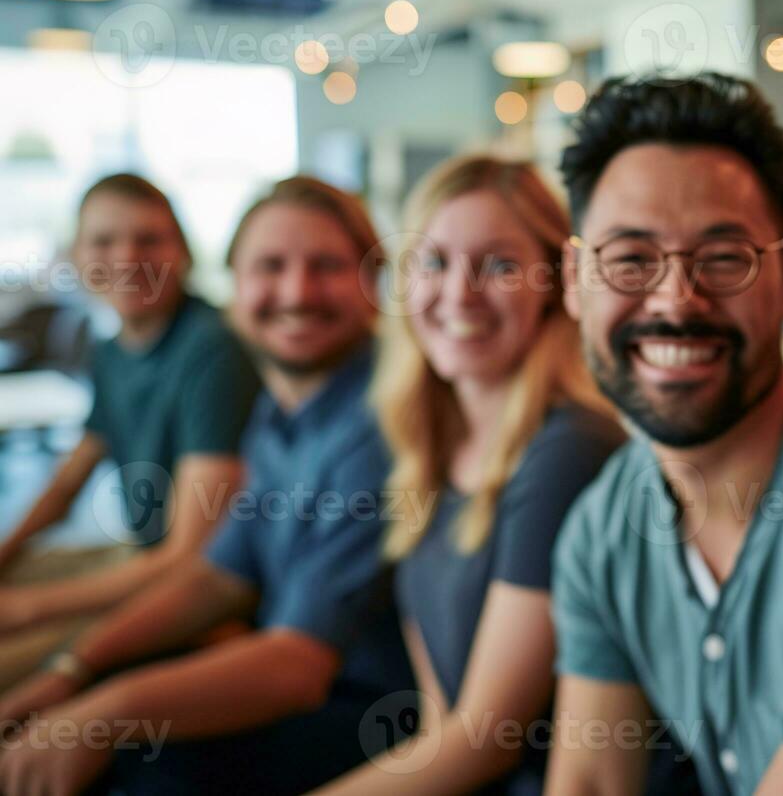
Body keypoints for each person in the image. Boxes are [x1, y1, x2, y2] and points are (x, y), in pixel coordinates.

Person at [0, 176, 415, 795]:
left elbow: (297, 664)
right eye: (271, 266)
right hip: (292, 663)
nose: (297, 293)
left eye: (327, 266)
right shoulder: (283, 410)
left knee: (134, 767)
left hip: (373, 710)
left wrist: (100, 713)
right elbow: (217, 575)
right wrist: (74, 669)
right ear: (235, 282)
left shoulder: (380, 416)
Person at [545, 73, 783, 796]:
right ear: (574, 279)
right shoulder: (601, 529)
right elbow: (591, 779)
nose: (675, 301)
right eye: (630, 259)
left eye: (722, 258)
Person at [311, 154, 625, 795]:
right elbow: (440, 724)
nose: (459, 294)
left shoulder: (567, 449)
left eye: (500, 265)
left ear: (554, 283)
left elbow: (486, 739)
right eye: (434, 261)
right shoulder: (430, 449)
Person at [0, 173, 258, 689]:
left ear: (182, 252)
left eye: (148, 239)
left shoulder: (211, 351)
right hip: (142, 559)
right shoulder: (113, 349)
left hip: (196, 588)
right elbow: (69, 479)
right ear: (75, 255)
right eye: (103, 241)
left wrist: (26, 608)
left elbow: (190, 557)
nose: (125, 258)